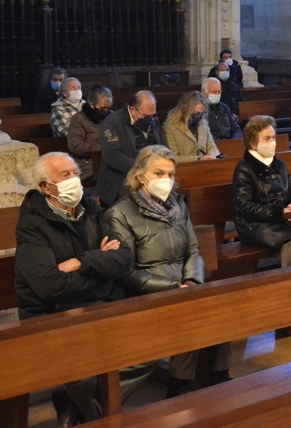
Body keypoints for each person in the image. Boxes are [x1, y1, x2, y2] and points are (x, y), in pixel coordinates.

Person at [14, 153, 133, 425]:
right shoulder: (32, 224)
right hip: (53, 313)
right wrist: (101, 269)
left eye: (76, 173)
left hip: (98, 305)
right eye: (64, 175)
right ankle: (94, 417)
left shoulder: (90, 209)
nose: (74, 180)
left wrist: (82, 261)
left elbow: (124, 259)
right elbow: (49, 286)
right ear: (45, 187)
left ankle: (73, 402)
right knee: (86, 368)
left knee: (146, 346)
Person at [105, 145, 232, 398]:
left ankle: (219, 377)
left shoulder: (178, 206)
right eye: (159, 173)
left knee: (219, 306)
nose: (167, 180)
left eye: (171, 174)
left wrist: (192, 280)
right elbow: (127, 272)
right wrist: (176, 288)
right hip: (147, 293)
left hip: (184, 286)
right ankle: (179, 385)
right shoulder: (120, 213)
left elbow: (194, 250)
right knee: (188, 310)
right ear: (141, 176)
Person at [232, 115, 291, 268]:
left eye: (273, 137)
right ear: (253, 143)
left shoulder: (279, 164)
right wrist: (280, 212)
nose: (272, 142)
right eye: (267, 139)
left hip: (283, 220)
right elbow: (246, 208)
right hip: (253, 225)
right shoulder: (244, 169)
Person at [96, 90, 162, 208]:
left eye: (153, 115)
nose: (150, 119)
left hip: (152, 173)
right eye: (146, 116)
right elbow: (113, 156)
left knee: (171, 190)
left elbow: (163, 148)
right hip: (121, 177)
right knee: (141, 196)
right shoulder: (113, 122)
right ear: (132, 110)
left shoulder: (153, 122)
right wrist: (144, 169)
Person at [67, 84, 113, 182]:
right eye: (101, 108)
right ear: (91, 104)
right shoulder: (78, 119)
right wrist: (102, 149)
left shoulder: (112, 117)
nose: (105, 111)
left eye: (107, 108)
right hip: (89, 164)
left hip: (111, 161)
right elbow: (75, 145)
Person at [163, 91, 221, 162]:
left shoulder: (203, 123)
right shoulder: (171, 127)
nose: (199, 116)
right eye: (196, 113)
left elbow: (211, 146)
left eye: (202, 113)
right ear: (185, 110)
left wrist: (211, 156)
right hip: (184, 168)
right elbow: (173, 157)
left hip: (205, 165)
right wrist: (198, 159)